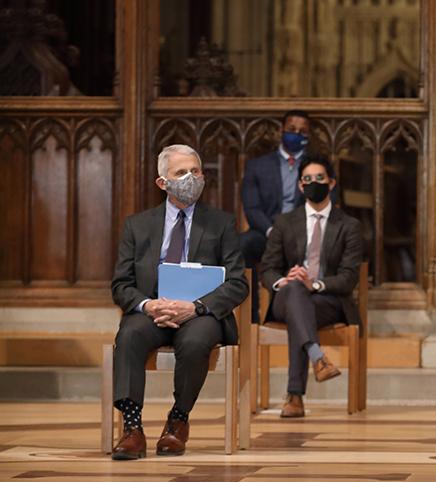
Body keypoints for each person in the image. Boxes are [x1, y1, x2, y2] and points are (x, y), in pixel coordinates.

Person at [110, 144, 248, 459]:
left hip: (201, 314)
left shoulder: (221, 223)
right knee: (129, 334)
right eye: (181, 172)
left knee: (197, 339)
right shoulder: (137, 225)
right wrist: (149, 305)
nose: (191, 178)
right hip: (152, 312)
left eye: (196, 171)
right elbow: (120, 284)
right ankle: (132, 429)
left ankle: (178, 420)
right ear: (163, 182)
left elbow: (238, 283)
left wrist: (196, 307)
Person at [259, 153, 363, 418]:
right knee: (294, 292)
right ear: (300, 186)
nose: (313, 183)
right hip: (287, 296)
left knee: (300, 307)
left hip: (328, 300)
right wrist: (286, 279)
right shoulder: (284, 222)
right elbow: (267, 269)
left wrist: (313, 283)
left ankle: (295, 396)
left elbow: (349, 278)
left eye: (319, 178)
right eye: (307, 179)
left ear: (331, 183)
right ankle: (317, 358)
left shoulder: (349, 225)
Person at [240, 110, 313, 319]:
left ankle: (299, 313)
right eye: (291, 129)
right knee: (242, 245)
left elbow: (328, 201)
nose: (296, 134)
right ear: (281, 130)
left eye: (302, 131)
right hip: (266, 232)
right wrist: (272, 231)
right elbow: (252, 207)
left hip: (303, 234)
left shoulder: (315, 166)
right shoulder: (257, 165)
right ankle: (250, 318)